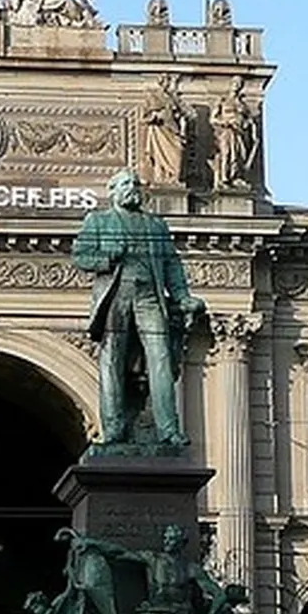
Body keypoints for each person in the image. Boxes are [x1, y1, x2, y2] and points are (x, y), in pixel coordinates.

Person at [70, 169, 204, 449]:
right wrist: (108, 258)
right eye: (125, 184)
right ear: (113, 191)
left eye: (135, 183)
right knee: (111, 361)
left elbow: (171, 265)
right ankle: (114, 429)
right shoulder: (98, 220)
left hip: (149, 296)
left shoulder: (156, 226)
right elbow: (80, 256)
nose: (132, 188)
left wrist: (181, 296)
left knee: (161, 359)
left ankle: (168, 429)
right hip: (115, 295)